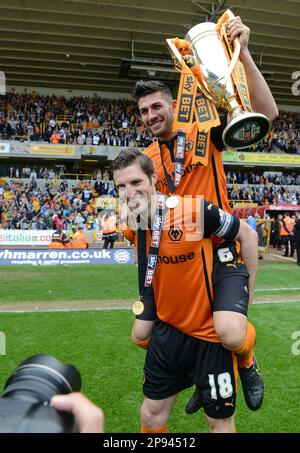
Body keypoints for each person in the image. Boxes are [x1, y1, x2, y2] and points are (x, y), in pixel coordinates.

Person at [131, 14, 278, 414]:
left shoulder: (204, 131)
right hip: (179, 261)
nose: (150, 116)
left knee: (230, 334)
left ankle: (246, 361)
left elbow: (266, 115)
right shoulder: (143, 164)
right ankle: (200, 375)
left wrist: (243, 54)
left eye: (156, 106)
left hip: (220, 250)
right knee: (145, 335)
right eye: (143, 111)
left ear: (173, 105)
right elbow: (142, 225)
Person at [112, 149, 258, 433]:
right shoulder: (132, 220)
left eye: (136, 182)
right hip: (170, 326)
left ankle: (246, 355)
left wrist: (246, 302)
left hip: (208, 331)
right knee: (151, 413)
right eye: (121, 186)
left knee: (219, 421)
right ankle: (194, 376)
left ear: (154, 178)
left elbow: (248, 235)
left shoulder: (193, 211)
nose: (128, 192)